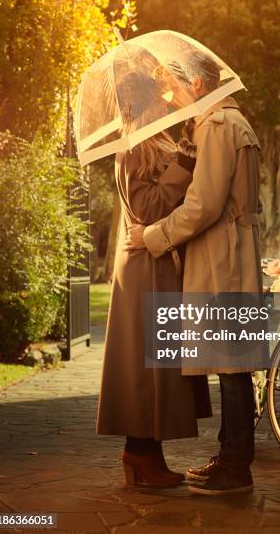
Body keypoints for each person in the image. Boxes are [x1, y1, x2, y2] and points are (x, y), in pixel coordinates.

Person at [126, 53, 267, 495]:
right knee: (233, 361)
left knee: (231, 364)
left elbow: (203, 205)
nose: (172, 95)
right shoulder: (230, 121)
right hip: (230, 251)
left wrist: (152, 235)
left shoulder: (217, 125)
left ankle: (234, 466)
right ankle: (230, 456)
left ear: (198, 86)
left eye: (176, 85)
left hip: (221, 255)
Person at [96, 72, 211, 488]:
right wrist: (183, 165)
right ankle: (139, 456)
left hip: (158, 260)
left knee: (157, 364)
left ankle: (148, 455)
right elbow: (148, 209)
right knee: (146, 366)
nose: (166, 103)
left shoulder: (156, 142)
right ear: (141, 105)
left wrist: (184, 154)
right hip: (145, 267)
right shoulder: (131, 149)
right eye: (159, 99)